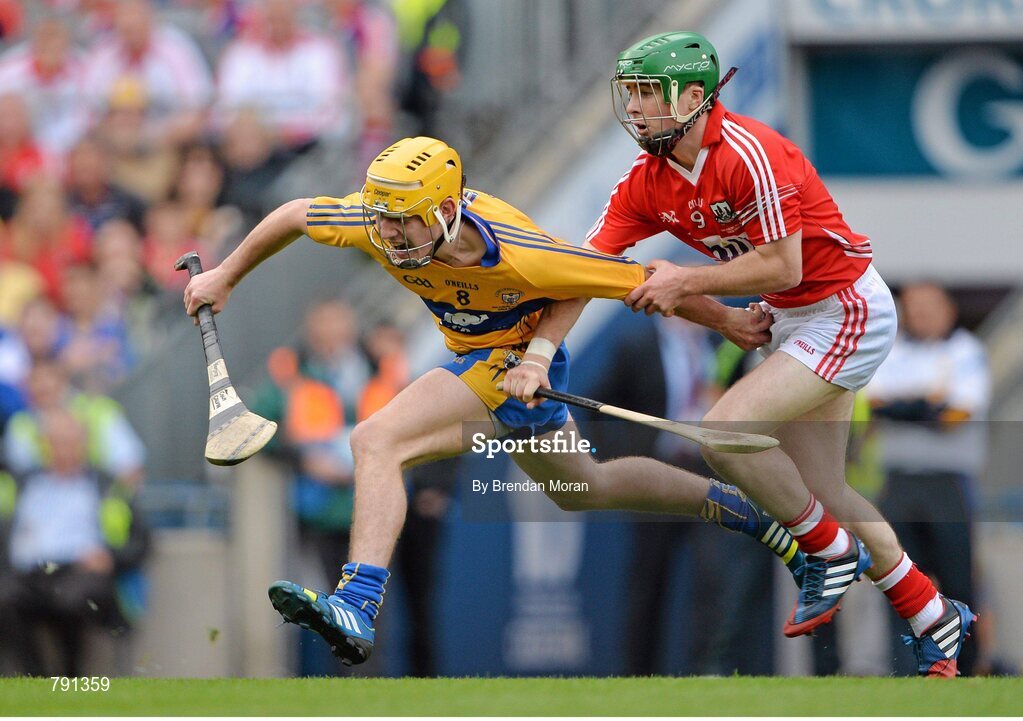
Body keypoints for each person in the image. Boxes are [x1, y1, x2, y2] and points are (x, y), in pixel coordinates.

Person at [183, 135, 805, 667]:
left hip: (511, 360)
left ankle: (357, 603)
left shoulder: (524, 253)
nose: (392, 237)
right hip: (477, 362)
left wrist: (724, 320)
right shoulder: (376, 221)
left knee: (375, 439)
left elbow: (642, 279)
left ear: (448, 210)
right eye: (384, 220)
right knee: (585, 487)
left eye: (407, 221)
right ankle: (734, 506)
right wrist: (226, 276)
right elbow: (294, 214)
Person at [501, 31, 975, 678]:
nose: (633, 108)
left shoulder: (750, 152)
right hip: (786, 319)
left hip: (844, 308)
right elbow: (583, 271)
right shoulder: (644, 182)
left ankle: (826, 549)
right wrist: (538, 354)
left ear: (693, 97)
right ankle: (930, 613)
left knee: (723, 433)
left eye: (647, 93)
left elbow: (784, 263)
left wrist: (684, 281)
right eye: (630, 93)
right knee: (824, 488)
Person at [867, 282, 991, 675]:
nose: (919, 315)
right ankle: (903, 670)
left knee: (957, 578)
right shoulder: (892, 349)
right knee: (897, 577)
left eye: (927, 307)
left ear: (948, 309)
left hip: (947, 482)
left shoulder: (965, 350)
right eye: (912, 307)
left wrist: (906, 408)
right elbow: (874, 403)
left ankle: (966, 669)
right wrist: (928, 404)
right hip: (899, 481)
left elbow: (957, 416)